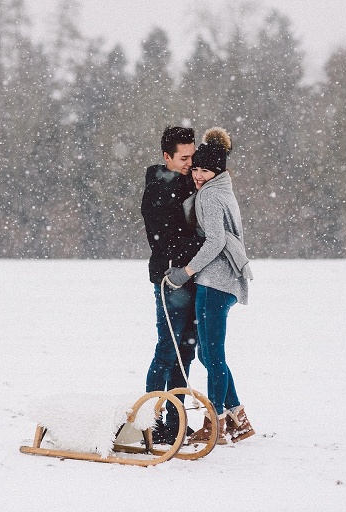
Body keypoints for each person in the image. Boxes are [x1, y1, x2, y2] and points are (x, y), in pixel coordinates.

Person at [164, 127, 255, 444]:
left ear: (217, 171)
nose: (199, 175)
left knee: (212, 354)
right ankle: (237, 419)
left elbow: (215, 241)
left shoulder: (210, 196)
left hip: (216, 281)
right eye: (197, 169)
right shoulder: (221, 190)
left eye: (206, 170)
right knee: (208, 353)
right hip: (224, 279)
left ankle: (213, 423)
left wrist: (185, 271)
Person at [140, 126, 203, 444]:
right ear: (167, 157)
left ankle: (175, 421)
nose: (190, 162)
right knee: (167, 350)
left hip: (192, 277)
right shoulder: (159, 189)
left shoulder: (188, 182)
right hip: (171, 279)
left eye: (193, 156)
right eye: (184, 157)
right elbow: (164, 239)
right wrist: (195, 251)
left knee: (186, 352)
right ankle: (148, 423)